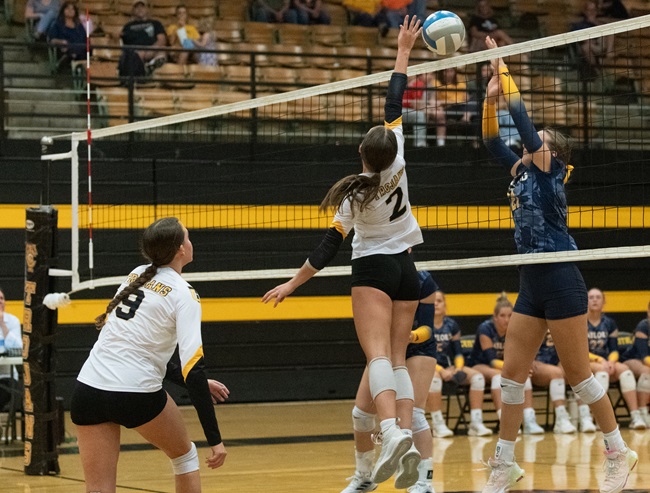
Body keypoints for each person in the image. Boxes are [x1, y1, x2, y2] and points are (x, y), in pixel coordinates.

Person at [263, 16, 424, 487]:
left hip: (373, 271)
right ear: (390, 148)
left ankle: (393, 433)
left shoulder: (354, 195)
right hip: (408, 270)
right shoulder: (400, 160)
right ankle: (400, 441)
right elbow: (394, 100)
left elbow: (329, 247)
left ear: (362, 152)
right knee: (395, 358)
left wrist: (294, 283)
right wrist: (403, 51)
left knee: (377, 357)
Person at [481, 35, 638, 493]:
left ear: (552, 152)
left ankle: (617, 452)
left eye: (540, 142)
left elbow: (526, 124)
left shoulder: (550, 172)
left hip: (562, 276)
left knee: (580, 378)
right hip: (531, 279)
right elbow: (492, 140)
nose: (531, 142)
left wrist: (503, 70)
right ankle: (504, 465)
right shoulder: (523, 170)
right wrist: (490, 97)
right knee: (511, 378)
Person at [70, 217, 229, 493]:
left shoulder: (137, 274)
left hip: (88, 389)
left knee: (98, 488)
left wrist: (198, 383)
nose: (192, 243)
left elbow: (142, 350)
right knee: (185, 456)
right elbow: (194, 369)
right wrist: (215, 440)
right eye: (188, 237)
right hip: (134, 392)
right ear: (180, 249)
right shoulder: (184, 294)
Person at [341, 270, 439, 493]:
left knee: (414, 415)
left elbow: (428, 329)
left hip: (418, 349)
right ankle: (364, 478)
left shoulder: (422, 280)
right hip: (385, 350)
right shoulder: (373, 276)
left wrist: (412, 336)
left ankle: (423, 482)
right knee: (361, 415)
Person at [468, 293, 544, 434]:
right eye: (502, 316)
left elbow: (523, 352)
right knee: (499, 376)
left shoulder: (517, 328)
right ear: (495, 317)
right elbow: (491, 359)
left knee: (524, 376)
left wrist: (524, 367)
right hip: (481, 365)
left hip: (504, 366)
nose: (507, 319)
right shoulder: (485, 328)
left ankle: (528, 421)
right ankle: (504, 422)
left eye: (510, 315)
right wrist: (517, 368)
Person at [427, 290, 493, 438]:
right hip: (428, 366)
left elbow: (458, 352)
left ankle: (476, 423)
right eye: (433, 301)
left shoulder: (452, 325)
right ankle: (438, 424)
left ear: (445, 305)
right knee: (434, 379)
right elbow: (423, 354)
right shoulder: (424, 325)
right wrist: (440, 370)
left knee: (478, 378)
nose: (436, 304)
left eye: (439, 301)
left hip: (449, 367)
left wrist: (458, 368)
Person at [586, 287, 646, 429]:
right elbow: (581, 350)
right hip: (589, 361)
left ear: (604, 302)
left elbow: (614, 349)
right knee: (601, 372)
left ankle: (635, 416)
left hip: (607, 362)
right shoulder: (581, 322)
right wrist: (601, 361)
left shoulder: (610, 323)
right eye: (591, 297)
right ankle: (598, 419)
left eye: (598, 297)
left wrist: (611, 361)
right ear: (586, 302)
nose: (594, 300)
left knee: (625, 371)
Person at [531, 330, 578, 434]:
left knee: (578, 371)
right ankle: (561, 418)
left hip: (557, 363)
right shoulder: (532, 319)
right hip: (536, 364)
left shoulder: (559, 319)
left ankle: (585, 416)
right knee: (556, 373)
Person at [118, 0, 167, 80]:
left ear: (147, 9)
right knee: (132, 56)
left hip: (153, 51)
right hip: (134, 53)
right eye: (137, 7)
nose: (140, 9)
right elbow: (121, 42)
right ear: (133, 11)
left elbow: (162, 40)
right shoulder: (128, 26)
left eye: (142, 6)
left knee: (162, 53)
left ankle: (149, 69)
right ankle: (144, 72)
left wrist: (150, 51)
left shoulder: (155, 23)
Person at [620, 300, 650, 427]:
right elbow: (645, 356)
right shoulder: (644, 326)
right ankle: (642, 412)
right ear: (648, 312)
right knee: (647, 372)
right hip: (632, 359)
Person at [570, 1, 614, 79]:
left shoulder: (601, 23)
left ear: (597, 11)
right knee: (586, 46)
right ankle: (597, 70)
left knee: (609, 30)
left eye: (593, 10)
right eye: (589, 10)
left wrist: (595, 23)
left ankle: (609, 53)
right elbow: (576, 36)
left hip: (601, 45)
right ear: (585, 11)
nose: (591, 12)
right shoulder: (580, 25)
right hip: (588, 46)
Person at [429, 67, 471, 147]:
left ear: (455, 72)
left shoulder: (461, 84)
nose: (448, 73)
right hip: (446, 108)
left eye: (451, 71)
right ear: (442, 72)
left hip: (460, 108)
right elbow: (433, 100)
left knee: (472, 112)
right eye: (446, 71)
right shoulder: (436, 83)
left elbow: (466, 100)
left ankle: (471, 143)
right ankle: (441, 144)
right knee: (440, 115)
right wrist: (442, 104)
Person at [0, 288, 22, 411]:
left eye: (2, 298)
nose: (0, 301)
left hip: (6, 375)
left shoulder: (13, 321)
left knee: (4, 392)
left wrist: (3, 324)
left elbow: (18, 348)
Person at [402, 72, 434, 147]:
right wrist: (427, 110)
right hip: (401, 110)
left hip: (408, 110)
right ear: (421, 75)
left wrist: (429, 109)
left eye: (432, 74)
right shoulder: (418, 84)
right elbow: (416, 104)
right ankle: (420, 143)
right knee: (420, 115)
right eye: (428, 74)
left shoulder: (428, 86)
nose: (431, 77)